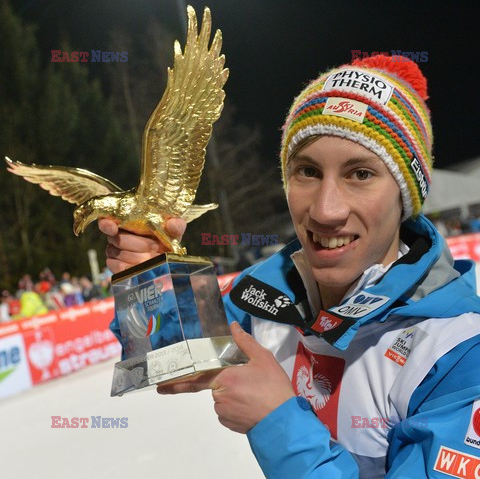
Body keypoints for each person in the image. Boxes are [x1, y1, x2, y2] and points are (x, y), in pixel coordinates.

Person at [99, 55, 480, 478]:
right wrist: (148, 273)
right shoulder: (263, 294)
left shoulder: (458, 351)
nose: (325, 209)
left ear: (405, 196)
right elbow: (166, 360)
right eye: (307, 171)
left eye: (360, 173)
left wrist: (277, 420)